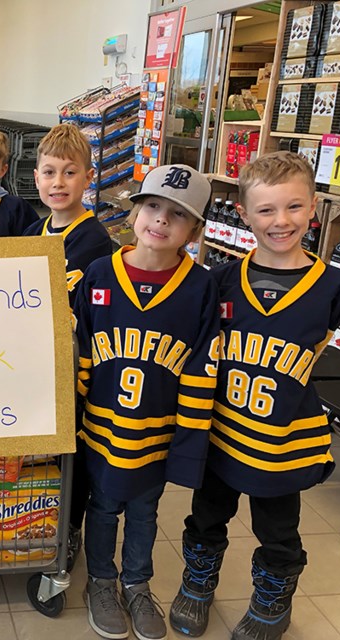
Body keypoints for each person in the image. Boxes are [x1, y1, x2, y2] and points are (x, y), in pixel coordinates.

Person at [168, 151, 340, 640]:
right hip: (223, 432)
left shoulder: (335, 285)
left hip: (282, 439)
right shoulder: (221, 280)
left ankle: (273, 600)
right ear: (244, 214)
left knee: (279, 529)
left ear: (313, 207)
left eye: (293, 207)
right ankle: (198, 582)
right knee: (207, 516)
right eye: (266, 210)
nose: (281, 221)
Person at [73, 163, 221, 640]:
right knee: (102, 507)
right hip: (99, 428)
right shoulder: (99, 273)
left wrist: (188, 444)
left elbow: (202, 372)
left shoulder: (200, 288)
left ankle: (137, 583)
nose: (160, 220)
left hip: (157, 434)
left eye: (177, 215)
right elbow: (77, 354)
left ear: (195, 230)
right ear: (133, 212)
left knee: (145, 511)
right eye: (152, 206)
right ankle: (100, 580)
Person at [23, 122, 114, 574]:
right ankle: (42, 521)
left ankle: (70, 530)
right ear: (35, 176)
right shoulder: (36, 231)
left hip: (75, 370)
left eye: (70, 173)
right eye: (49, 172)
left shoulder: (96, 243)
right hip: (39, 364)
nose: (58, 183)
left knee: (72, 451)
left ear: (88, 176)